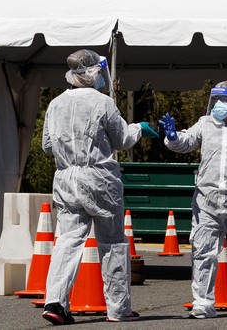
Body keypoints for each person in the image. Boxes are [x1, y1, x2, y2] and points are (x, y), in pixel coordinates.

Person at [41, 49, 159, 325]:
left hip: (66, 179)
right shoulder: (102, 102)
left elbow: (47, 146)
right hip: (99, 179)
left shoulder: (55, 104)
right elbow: (120, 141)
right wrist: (139, 128)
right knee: (113, 242)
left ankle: (55, 302)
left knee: (68, 241)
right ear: (93, 73)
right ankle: (118, 309)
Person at [159, 81, 227, 319]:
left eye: (226, 100)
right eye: (217, 99)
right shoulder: (205, 123)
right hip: (206, 201)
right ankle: (203, 303)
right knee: (202, 252)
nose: (219, 105)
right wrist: (172, 137)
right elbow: (186, 141)